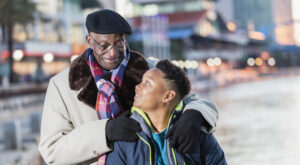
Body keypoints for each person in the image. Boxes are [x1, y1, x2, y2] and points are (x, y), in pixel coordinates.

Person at [39, 9, 219, 165]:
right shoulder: (61, 85)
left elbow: (194, 99)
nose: (112, 52)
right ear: (89, 40)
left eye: (118, 43)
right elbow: (51, 150)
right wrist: (105, 131)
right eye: (104, 45)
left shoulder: (150, 69)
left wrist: (193, 115)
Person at [106, 60, 227, 165]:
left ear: (168, 96)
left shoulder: (197, 133)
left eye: (147, 83)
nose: (137, 86)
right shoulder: (125, 138)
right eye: (141, 81)